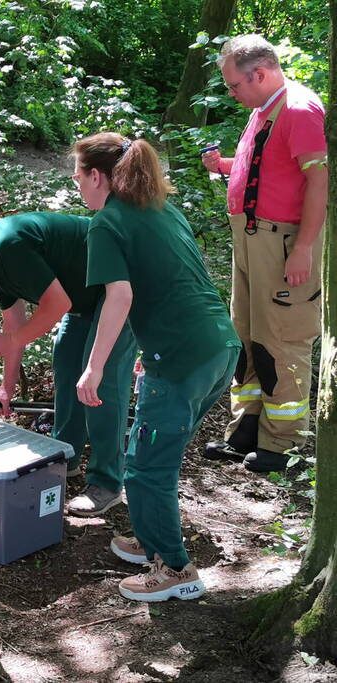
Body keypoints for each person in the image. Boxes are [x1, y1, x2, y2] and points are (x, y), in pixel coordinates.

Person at [74, 132, 240, 601]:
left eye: (79, 176)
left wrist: (94, 368)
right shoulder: (164, 209)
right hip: (219, 346)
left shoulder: (106, 223)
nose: (77, 185)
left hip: (183, 357)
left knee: (147, 468)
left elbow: (120, 297)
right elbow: (173, 280)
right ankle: (150, 540)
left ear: (97, 176)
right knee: (152, 453)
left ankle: (175, 569)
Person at [0, 204, 137, 516]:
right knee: (67, 369)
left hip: (118, 289)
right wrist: (6, 388)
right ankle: (65, 458)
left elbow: (56, 304)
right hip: (83, 302)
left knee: (101, 381)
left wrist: (10, 341)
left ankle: (107, 483)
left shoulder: (8, 244)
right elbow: (15, 323)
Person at [200, 35, 326, 473]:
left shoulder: (299, 108)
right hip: (251, 239)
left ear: (260, 73)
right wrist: (223, 167)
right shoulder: (263, 111)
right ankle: (247, 430)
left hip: (284, 242)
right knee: (248, 336)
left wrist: (304, 248)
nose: (231, 93)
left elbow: (317, 182)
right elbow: (265, 170)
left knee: (282, 340)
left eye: (235, 85)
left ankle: (284, 443)